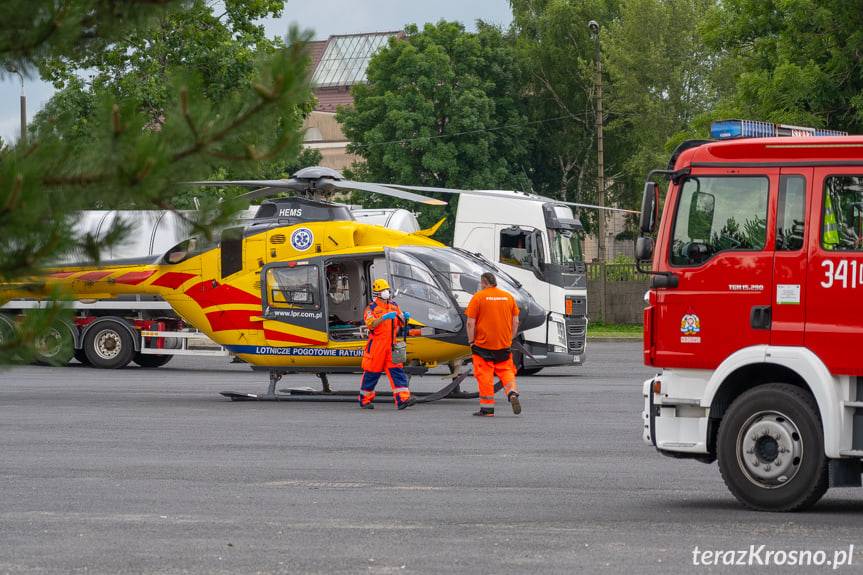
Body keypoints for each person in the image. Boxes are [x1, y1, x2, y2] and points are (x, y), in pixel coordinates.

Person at [465, 272, 521, 417]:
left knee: (484, 376)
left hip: (482, 345)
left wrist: (471, 341)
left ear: (484, 282)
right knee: (506, 371)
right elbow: (516, 322)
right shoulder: (508, 297)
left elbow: (471, 323)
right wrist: (510, 338)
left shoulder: (478, 297)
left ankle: (487, 409)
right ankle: (512, 392)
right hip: (503, 344)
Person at [358, 278, 417, 410]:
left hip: (391, 345)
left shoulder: (394, 305)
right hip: (376, 347)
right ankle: (365, 400)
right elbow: (371, 325)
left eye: (387, 290)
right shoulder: (371, 308)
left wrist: (405, 318)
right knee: (371, 374)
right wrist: (383, 318)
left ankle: (403, 399)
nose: (386, 292)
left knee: (397, 372)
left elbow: (401, 321)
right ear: (377, 293)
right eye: (383, 290)